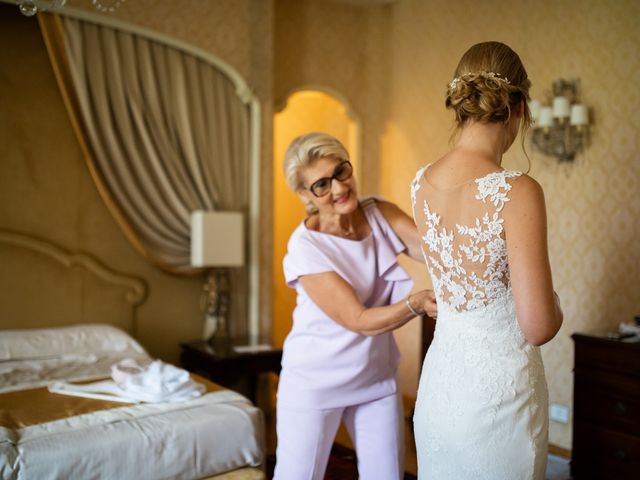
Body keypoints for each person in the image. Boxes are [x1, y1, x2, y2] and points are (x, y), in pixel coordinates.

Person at [411, 41, 564, 480]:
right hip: (499, 401)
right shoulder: (517, 190)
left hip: (440, 391)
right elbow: (538, 326)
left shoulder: (421, 182)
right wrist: (553, 301)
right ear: (518, 107)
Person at [274, 132, 437, 480]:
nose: (338, 188)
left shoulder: (378, 213)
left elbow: (434, 252)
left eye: (341, 171)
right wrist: (417, 302)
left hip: (375, 378)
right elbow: (358, 319)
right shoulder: (305, 247)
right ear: (304, 195)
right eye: (321, 184)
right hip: (314, 382)